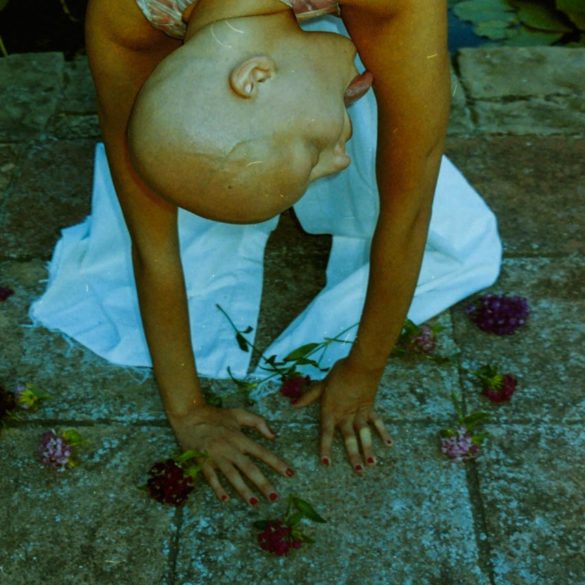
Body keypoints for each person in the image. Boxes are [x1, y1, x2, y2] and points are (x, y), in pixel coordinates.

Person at [36, 0, 490, 505]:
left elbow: (409, 208)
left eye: (314, 152)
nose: (339, 163)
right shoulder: (126, 19)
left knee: (396, 144)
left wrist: (364, 370)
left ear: (255, 76)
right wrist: (187, 413)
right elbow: (151, 243)